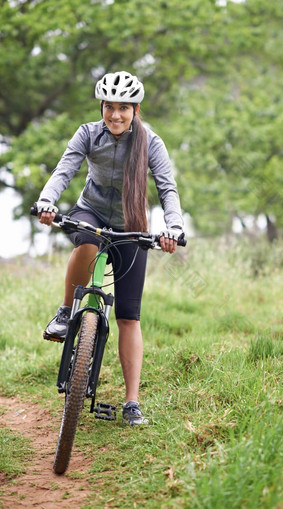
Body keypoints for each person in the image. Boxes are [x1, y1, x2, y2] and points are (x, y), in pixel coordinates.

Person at [35, 71, 184, 426]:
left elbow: (167, 189)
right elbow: (64, 170)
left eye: (123, 108)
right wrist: (46, 201)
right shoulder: (87, 133)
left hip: (133, 224)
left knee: (129, 317)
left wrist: (173, 227)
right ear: (101, 106)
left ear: (136, 110)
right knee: (87, 239)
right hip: (93, 211)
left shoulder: (152, 144)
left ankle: (132, 403)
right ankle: (64, 311)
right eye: (109, 107)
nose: (115, 115)